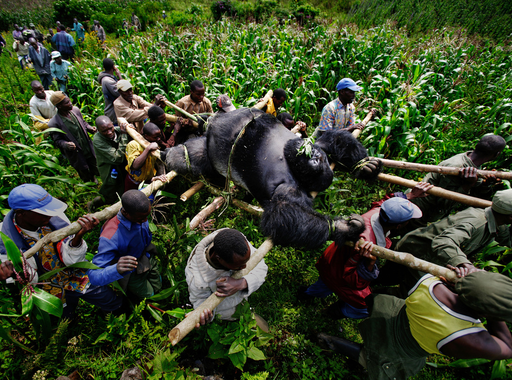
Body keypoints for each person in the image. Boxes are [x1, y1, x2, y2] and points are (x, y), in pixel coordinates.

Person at [318, 270, 512, 380]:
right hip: (402, 349)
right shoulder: (468, 338)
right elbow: (507, 348)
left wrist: (477, 284)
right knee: (373, 361)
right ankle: (331, 342)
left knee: (363, 308)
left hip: (389, 312)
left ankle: (331, 312)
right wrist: (496, 313)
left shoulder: (433, 282)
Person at [300, 185, 429, 319]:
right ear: (399, 226)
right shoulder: (367, 245)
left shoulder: (376, 212)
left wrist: (409, 196)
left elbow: (384, 202)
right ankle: (334, 312)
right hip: (338, 274)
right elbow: (352, 280)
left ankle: (307, 294)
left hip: (331, 258)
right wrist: (370, 263)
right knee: (366, 306)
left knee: (323, 284)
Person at [0, 184, 123, 318]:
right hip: (45, 288)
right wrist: (16, 273)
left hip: (72, 272)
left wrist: (78, 236)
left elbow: (72, 259)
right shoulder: (5, 240)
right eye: (42, 212)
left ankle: (114, 315)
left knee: (107, 297)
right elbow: (31, 280)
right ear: (21, 213)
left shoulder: (55, 218)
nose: (49, 215)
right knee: (62, 315)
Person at [396, 188, 512, 289]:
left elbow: (507, 239)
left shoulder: (497, 223)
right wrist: (464, 264)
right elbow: (443, 241)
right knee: (402, 287)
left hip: (429, 256)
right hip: (416, 252)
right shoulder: (476, 222)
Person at [406, 135, 506, 232]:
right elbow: (444, 201)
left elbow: (476, 192)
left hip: (423, 209)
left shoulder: (472, 161)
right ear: (497, 154)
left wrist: (485, 184)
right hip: (417, 207)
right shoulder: (456, 167)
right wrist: (468, 185)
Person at [87, 190, 162, 302]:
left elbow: (149, 190)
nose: (145, 221)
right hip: (132, 272)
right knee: (149, 295)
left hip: (147, 257)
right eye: (141, 219)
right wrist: (115, 269)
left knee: (158, 283)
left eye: (147, 216)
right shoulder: (111, 237)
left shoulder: (140, 209)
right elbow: (94, 276)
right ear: (126, 213)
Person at [185, 228, 268, 325]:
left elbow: (261, 267)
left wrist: (242, 283)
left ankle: (246, 313)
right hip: (224, 318)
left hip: (243, 304)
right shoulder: (196, 277)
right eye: (239, 266)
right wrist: (207, 316)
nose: (245, 267)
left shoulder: (236, 242)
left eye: (246, 261)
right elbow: (200, 304)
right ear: (219, 259)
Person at [48, 92, 98, 183]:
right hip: (76, 152)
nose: (70, 103)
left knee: (93, 163)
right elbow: (57, 140)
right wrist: (66, 144)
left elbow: (83, 122)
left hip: (86, 146)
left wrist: (89, 128)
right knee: (83, 169)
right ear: (59, 106)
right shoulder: (54, 123)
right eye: (67, 103)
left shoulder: (75, 110)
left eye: (69, 101)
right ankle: (88, 183)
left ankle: (94, 177)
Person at [89, 116, 129, 211]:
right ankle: (93, 204)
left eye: (110, 128)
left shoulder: (119, 130)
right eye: (104, 131)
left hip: (122, 166)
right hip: (109, 168)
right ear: (98, 130)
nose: (109, 132)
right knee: (110, 191)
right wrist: (124, 136)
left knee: (122, 187)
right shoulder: (98, 140)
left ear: (112, 124)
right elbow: (117, 158)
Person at [124, 122, 167, 191]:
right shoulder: (133, 145)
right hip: (134, 182)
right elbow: (134, 166)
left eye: (159, 136)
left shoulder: (156, 145)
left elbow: (158, 164)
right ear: (146, 136)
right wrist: (148, 149)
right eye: (156, 137)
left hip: (149, 181)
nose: (159, 139)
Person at [171, 80, 213, 145]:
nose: (201, 97)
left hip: (202, 131)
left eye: (203, 94)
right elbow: (175, 120)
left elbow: (211, 118)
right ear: (191, 92)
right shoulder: (182, 103)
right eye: (198, 94)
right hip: (186, 133)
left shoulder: (206, 102)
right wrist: (184, 123)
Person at [98, 58, 123, 124]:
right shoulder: (107, 80)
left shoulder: (109, 78)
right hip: (114, 112)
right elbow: (122, 91)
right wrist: (120, 76)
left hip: (115, 111)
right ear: (113, 66)